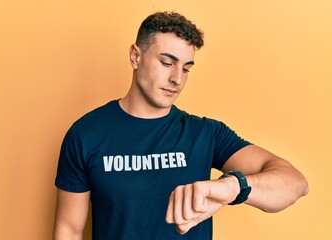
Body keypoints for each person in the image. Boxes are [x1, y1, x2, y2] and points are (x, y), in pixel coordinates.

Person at [53, 11, 308, 240]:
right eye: (167, 63)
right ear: (135, 56)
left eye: (186, 68)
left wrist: (232, 186)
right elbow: (69, 231)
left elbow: (295, 184)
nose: (176, 79)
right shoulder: (86, 134)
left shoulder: (205, 133)